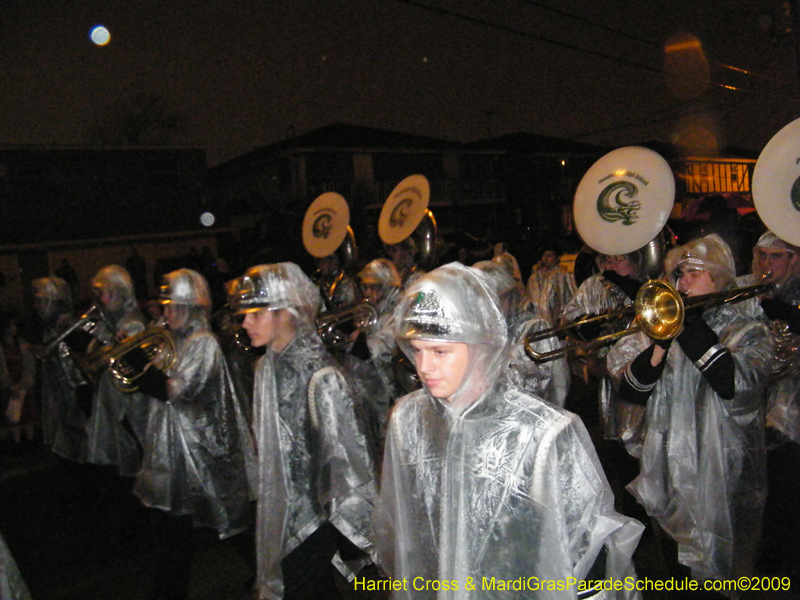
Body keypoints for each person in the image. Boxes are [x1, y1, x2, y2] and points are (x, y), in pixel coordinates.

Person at [374, 262, 644, 599]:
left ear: (481, 343)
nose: (424, 368)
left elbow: (588, 556)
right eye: (417, 350)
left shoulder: (545, 434)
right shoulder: (409, 419)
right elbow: (405, 529)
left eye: (440, 351)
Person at [608, 234, 772, 586]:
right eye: (679, 274)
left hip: (719, 465)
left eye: (694, 274)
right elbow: (632, 393)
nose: (682, 283)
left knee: (716, 564)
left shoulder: (746, 330)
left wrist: (687, 327)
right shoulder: (666, 325)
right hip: (666, 463)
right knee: (674, 565)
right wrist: (658, 346)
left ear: (719, 280)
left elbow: (733, 383)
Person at [237, 262, 376, 600]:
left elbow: (347, 459)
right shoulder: (266, 367)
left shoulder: (320, 375)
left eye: (255, 314)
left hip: (315, 516)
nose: (244, 323)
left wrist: (348, 530)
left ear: (287, 312)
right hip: (281, 511)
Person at [133, 268, 255, 600]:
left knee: (228, 522)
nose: (165, 313)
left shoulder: (204, 343)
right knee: (184, 531)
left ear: (191, 307)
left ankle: (267, 572)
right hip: (176, 450)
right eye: (165, 306)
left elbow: (181, 389)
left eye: (173, 306)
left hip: (201, 451)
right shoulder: (174, 339)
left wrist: (147, 375)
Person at [560, 251, 645, 440]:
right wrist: (587, 323)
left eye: (618, 259)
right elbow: (569, 316)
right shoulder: (594, 284)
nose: (610, 265)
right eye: (607, 260)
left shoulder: (650, 285)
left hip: (639, 376)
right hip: (602, 374)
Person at [473, 258, 570, 407]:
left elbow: (550, 385)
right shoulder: (477, 329)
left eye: (493, 299)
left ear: (508, 296)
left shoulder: (534, 328)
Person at [85, 265, 149, 478]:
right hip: (115, 399)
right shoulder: (111, 321)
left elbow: (130, 366)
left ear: (117, 293)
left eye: (102, 293)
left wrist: (112, 346)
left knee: (135, 447)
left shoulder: (132, 323)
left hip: (130, 402)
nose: (99, 299)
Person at [31, 277, 88, 464]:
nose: (37, 306)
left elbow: (72, 373)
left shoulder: (67, 329)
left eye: (41, 301)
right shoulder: (51, 329)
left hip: (74, 411)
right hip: (63, 411)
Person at [0, 312, 37, 448]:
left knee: (28, 413)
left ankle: (30, 440)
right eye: (12, 325)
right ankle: (17, 442)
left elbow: (29, 364)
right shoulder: (2, 347)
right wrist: (8, 385)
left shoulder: (22, 344)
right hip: (10, 385)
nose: (15, 328)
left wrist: (24, 383)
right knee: (13, 414)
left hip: (24, 384)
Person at [526, 247, 577, 327]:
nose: (546, 258)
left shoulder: (562, 275)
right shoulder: (536, 276)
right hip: (538, 314)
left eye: (550, 256)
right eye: (544, 256)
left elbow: (569, 295)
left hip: (555, 314)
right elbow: (530, 295)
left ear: (557, 258)